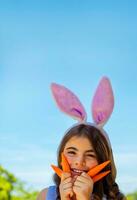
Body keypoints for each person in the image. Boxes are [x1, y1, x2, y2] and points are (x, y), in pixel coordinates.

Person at [37, 77, 126, 200]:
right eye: (72, 152)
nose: (79, 162)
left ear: (102, 161)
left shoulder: (115, 198)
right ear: (61, 155)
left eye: (90, 155)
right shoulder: (45, 195)